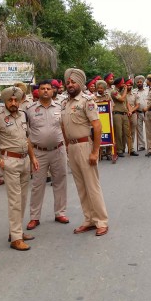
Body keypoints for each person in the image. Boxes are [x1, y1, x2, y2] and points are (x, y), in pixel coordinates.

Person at [0, 86, 39, 250]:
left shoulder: (22, 114)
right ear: (5, 101)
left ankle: (17, 231)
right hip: (10, 162)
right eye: (10, 100)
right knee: (15, 201)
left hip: (24, 161)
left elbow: (27, 138)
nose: (14, 103)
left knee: (22, 199)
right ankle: (15, 239)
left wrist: (33, 156)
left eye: (16, 100)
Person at [61, 68, 109, 237]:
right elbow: (63, 125)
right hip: (72, 148)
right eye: (68, 82)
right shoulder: (65, 103)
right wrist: (67, 146)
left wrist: (95, 151)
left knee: (92, 186)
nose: (70, 84)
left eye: (73, 82)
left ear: (80, 83)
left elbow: (97, 126)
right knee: (81, 187)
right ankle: (89, 219)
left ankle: (101, 221)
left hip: (84, 146)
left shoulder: (87, 101)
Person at [25, 80, 69, 231]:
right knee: (37, 185)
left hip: (58, 150)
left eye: (48, 89)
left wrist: (67, 148)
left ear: (53, 91)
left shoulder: (60, 107)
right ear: (38, 91)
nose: (45, 91)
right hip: (39, 152)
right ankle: (34, 217)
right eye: (42, 88)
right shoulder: (30, 109)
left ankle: (60, 213)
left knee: (60, 181)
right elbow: (26, 135)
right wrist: (32, 156)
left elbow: (64, 128)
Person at [110, 77, 130, 159]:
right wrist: (125, 90)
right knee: (118, 133)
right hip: (117, 114)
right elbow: (121, 99)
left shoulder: (122, 91)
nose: (124, 84)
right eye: (122, 83)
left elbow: (126, 102)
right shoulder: (114, 91)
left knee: (126, 132)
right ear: (118, 84)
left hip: (124, 113)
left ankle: (129, 149)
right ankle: (119, 150)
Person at [133, 75, 147, 151]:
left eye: (140, 82)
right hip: (138, 112)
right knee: (139, 130)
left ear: (143, 82)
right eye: (137, 82)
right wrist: (135, 111)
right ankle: (141, 145)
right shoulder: (134, 91)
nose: (139, 83)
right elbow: (133, 102)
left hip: (147, 112)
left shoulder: (147, 90)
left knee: (149, 129)